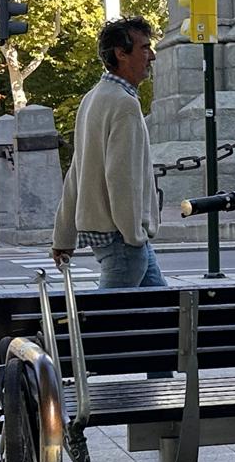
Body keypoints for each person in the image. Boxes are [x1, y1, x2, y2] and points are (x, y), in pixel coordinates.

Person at [52, 17, 165, 290]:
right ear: (121, 54)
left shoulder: (93, 98)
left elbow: (77, 171)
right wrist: (134, 234)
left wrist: (63, 237)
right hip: (122, 239)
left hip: (118, 237)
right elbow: (121, 178)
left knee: (164, 314)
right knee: (108, 320)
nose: (151, 56)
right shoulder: (124, 104)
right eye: (144, 48)